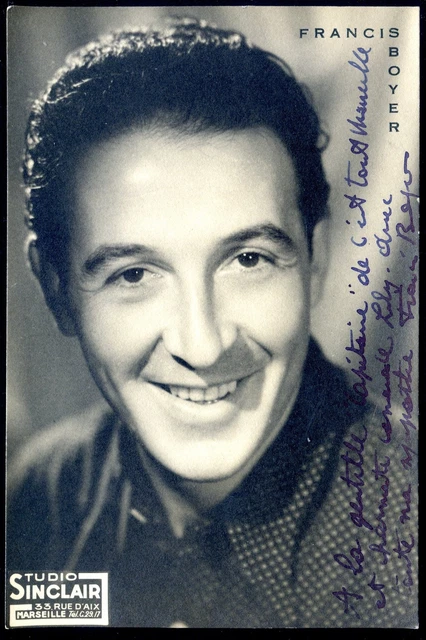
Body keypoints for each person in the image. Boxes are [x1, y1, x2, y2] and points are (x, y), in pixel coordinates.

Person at [7, 17, 417, 628]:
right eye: (134, 275)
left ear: (316, 260)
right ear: (56, 290)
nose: (202, 346)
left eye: (248, 260)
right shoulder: (41, 497)